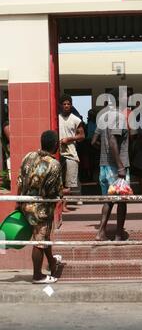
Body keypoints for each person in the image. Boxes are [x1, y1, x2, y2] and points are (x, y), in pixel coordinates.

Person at [17, 130, 63, 284]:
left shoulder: (28, 156)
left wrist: (18, 203)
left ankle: (51, 262)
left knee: (43, 237)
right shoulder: (54, 164)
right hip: (41, 209)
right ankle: (37, 275)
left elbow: (20, 181)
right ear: (55, 145)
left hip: (25, 205)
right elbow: (54, 191)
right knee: (39, 242)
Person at [92, 88, 130, 241]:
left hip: (105, 165)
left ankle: (101, 232)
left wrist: (105, 151)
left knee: (108, 200)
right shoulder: (118, 116)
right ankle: (119, 234)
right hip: (117, 166)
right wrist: (120, 165)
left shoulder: (103, 116)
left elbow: (94, 141)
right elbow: (114, 141)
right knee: (122, 201)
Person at [59, 94, 85, 211]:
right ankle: (59, 206)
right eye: (64, 104)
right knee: (58, 182)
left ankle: (64, 205)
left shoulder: (76, 119)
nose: (66, 106)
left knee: (68, 183)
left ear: (71, 105)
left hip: (71, 154)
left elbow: (82, 136)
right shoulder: (56, 117)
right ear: (61, 105)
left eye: (68, 104)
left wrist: (69, 139)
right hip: (57, 154)